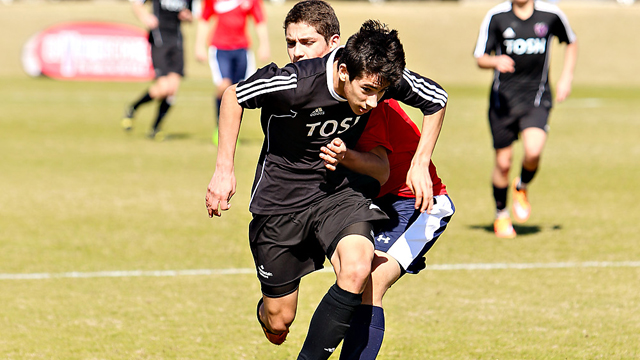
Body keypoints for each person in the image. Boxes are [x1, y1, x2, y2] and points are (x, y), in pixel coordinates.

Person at [205, 19, 446, 360]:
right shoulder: (295, 81)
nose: (375, 102)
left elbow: (436, 98)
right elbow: (233, 95)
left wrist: (421, 162)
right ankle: (269, 311)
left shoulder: (376, 75)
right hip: (281, 204)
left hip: (338, 195)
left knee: (360, 267)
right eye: (366, 91)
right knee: (279, 322)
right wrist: (223, 171)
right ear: (344, 72)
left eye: (381, 92)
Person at [283, 1, 453, 358]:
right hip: (367, 200)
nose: (298, 53)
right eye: (292, 44)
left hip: (416, 200)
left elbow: (435, 100)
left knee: (369, 280)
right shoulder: (316, 92)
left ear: (335, 47)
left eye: (308, 43)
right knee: (351, 276)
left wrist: (420, 162)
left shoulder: (369, 93)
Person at [473, 0, 577, 238]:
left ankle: (521, 186)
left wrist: (566, 78)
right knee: (503, 163)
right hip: (503, 101)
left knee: (533, 151)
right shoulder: (496, 16)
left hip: (537, 96)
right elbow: (480, 57)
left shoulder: (551, 14)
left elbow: (571, 42)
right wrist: (494, 61)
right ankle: (501, 215)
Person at [195, 0, 271, 145]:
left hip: (242, 49)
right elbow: (204, 19)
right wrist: (199, 45)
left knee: (239, 91)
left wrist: (264, 44)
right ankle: (219, 126)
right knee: (224, 86)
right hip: (220, 48)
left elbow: (259, 20)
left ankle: (232, 130)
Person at [122, 0, 193, 141]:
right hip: (160, 41)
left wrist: (187, 16)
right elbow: (136, 4)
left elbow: (190, 16)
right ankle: (133, 108)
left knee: (172, 90)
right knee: (163, 88)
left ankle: (155, 128)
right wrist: (145, 17)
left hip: (177, 42)